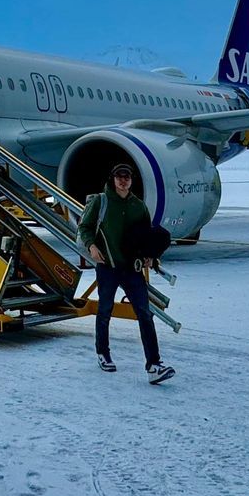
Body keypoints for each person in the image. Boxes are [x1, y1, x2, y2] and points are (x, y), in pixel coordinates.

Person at [78, 164, 173, 385]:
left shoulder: (138, 206)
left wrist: (151, 256)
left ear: (131, 181)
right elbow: (85, 227)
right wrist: (91, 246)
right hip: (108, 266)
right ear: (112, 179)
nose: (123, 181)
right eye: (119, 177)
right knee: (105, 310)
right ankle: (103, 352)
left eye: (127, 177)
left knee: (145, 314)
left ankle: (154, 365)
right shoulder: (100, 202)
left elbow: (146, 237)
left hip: (132, 268)